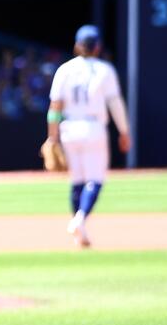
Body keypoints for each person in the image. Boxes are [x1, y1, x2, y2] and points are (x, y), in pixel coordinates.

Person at [47, 24, 131, 248]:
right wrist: (124, 131)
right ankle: (80, 219)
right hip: (93, 127)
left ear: (77, 45)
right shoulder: (105, 70)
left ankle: (79, 232)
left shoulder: (64, 70)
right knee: (95, 179)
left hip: (69, 128)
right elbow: (115, 104)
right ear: (98, 47)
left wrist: (51, 136)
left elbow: (55, 107)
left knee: (76, 181)